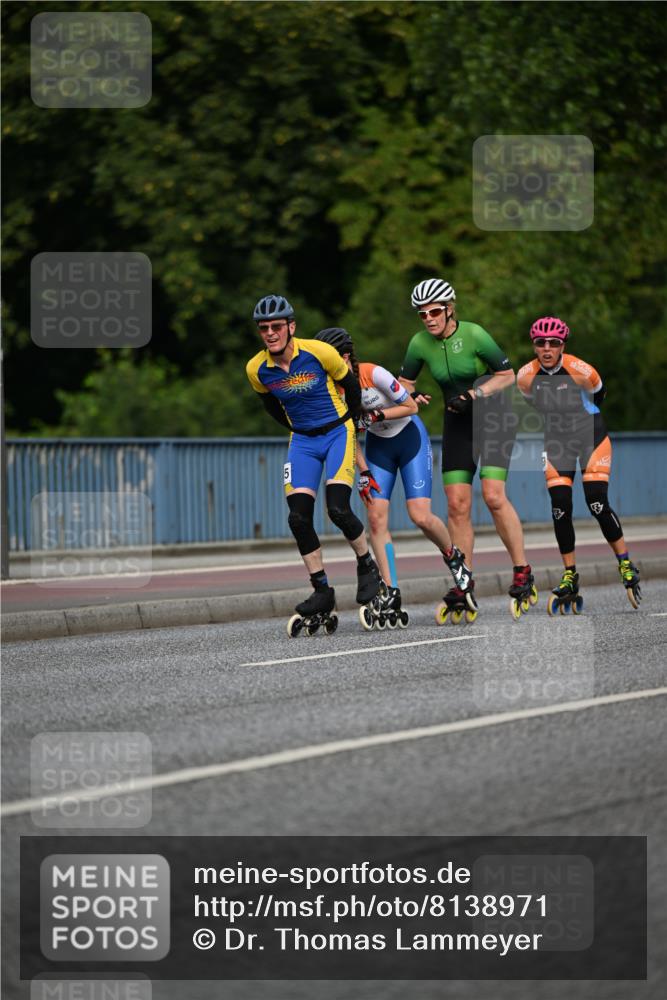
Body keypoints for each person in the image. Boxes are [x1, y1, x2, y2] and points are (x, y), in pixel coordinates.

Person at [314, 327, 476, 623]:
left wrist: (376, 415)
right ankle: (391, 590)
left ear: (345, 357)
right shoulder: (331, 389)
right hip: (378, 449)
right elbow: (347, 435)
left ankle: (454, 557)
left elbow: (410, 406)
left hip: (409, 439)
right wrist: (363, 471)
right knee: (375, 516)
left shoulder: (373, 374)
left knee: (420, 515)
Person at [245, 294, 382, 632]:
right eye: (264, 328)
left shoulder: (319, 353)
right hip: (303, 441)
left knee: (338, 509)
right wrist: (298, 429)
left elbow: (351, 387)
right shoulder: (256, 369)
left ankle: (367, 565)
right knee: (297, 518)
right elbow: (272, 408)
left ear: (291, 327)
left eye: (277, 326)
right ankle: (322, 591)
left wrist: (348, 424)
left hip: (337, 433)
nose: (271, 333)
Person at [399, 278, 535, 614]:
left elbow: (508, 375)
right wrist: (410, 395)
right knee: (457, 504)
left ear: (449, 309)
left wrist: (474, 394)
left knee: (492, 495)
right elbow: (403, 384)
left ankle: (522, 571)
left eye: (434, 311)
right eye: (422, 314)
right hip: (457, 421)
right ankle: (463, 581)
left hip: (494, 419)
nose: (428, 318)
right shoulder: (418, 343)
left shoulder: (474, 334)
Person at [517, 316, 641, 611]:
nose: (547, 348)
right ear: (534, 346)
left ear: (563, 346)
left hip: (590, 436)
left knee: (596, 501)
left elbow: (600, 395)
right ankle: (570, 574)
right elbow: (531, 401)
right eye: (540, 343)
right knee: (560, 505)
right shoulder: (525, 376)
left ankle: (625, 563)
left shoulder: (580, 369)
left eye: (554, 343)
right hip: (557, 440)